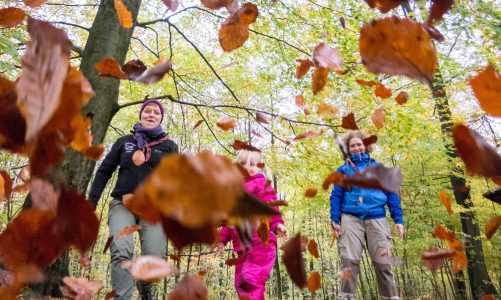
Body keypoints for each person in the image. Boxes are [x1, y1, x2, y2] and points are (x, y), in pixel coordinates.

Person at [88, 99, 178, 300]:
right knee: (121, 251)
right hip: (123, 205)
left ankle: (144, 285)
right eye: (147, 111)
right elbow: (103, 172)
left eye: (156, 112)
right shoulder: (124, 142)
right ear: (141, 115)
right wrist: (91, 202)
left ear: (161, 118)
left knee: (155, 258)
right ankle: (123, 297)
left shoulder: (169, 146)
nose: (151, 114)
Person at [330, 130, 404, 300]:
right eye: (352, 145)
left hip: (377, 217)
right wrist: (335, 219)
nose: (356, 148)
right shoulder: (342, 170)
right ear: (348, 149)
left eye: (359, 144)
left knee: (383, 262)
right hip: (350, 218)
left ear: (366, 146)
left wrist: (398, 220)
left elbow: (392, 194)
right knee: (349, 261)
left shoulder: (379, 169)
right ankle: (346, 297)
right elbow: (336, 196)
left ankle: (390, 297)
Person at [216, 149, 288, 300]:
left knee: (251, 279)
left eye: (252, 164)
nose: (247, 167)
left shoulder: (262, 184)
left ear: (259, 167)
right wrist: (221, 240)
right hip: (242, 250)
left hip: (261, 245)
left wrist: (278, 225)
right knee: (241, 283)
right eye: (242, 163)